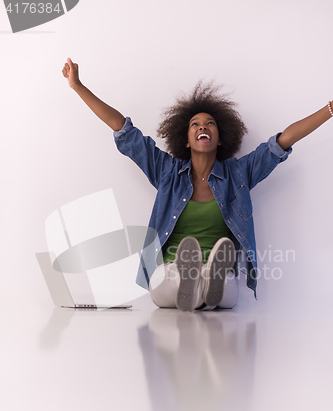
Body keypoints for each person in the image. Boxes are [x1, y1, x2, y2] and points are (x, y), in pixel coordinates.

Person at [62, 58, 333, 312]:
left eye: (210, 123)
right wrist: (78, 86)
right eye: (195, 124)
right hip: (171, 270)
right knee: (170, 278)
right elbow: (123, 129)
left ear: (221, 137)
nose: (203, 126)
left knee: (226, 287)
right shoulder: (166, 171)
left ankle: (207, 280)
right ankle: (193, 283)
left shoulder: (239, 173)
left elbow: (283, 141)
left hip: (219, 274)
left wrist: (330, 109)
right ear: (187, 140)